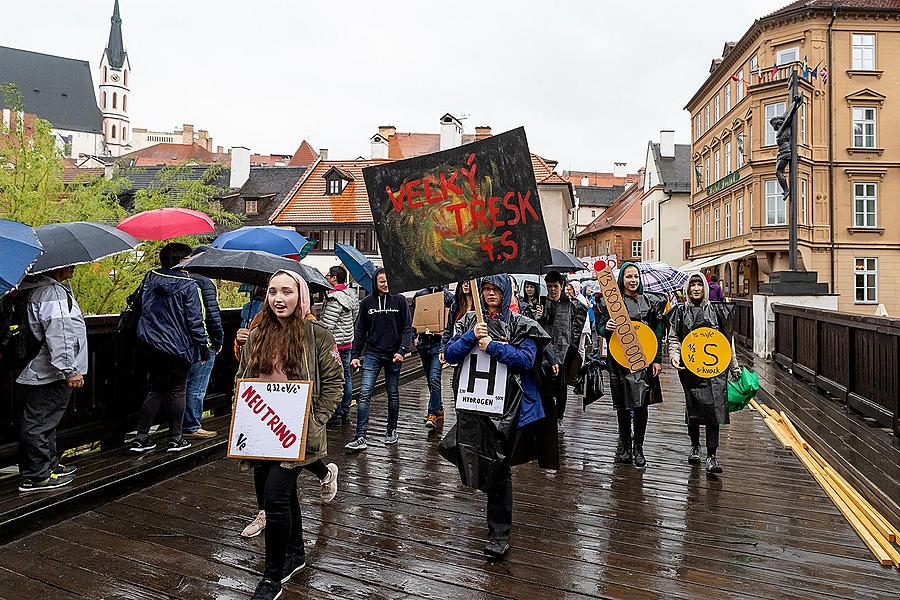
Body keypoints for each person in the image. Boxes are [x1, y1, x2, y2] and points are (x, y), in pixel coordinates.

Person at [237, 269, 342, 600]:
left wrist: (316, 419)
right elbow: (244, 377)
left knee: (276, 498)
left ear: (301, 296)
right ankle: (295, 555)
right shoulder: (256, 334)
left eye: (286, 292)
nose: (278, 299)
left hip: (297, 430)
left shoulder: (318, 335)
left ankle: (272, 576)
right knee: (280, 495)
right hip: (262, 430)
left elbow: (335, 382)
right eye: (272, 292)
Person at [441, 275, 557, 559]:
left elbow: (526, 359)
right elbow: (450, 353)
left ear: (506, 292)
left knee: (500, 466)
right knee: (474, 457)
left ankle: (499, 533)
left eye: (496, 289)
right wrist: (471, 336)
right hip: (474, 404)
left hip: (508, 408)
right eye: (487, 289)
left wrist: (492, 346)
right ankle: (494, 522)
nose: (491, 294)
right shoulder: (469, 320)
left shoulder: (521, 323)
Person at [130, 243, 209, 453]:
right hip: (178, 347)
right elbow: (195, 321)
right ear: (182, 260)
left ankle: (141, 437)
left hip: (149, 344)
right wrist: (203, 347)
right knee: (177, 390)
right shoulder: (189, 285)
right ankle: (175, 438)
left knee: (154, 390)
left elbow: (136, 303)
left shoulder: (150, 277)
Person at [14, 267, 86, 492]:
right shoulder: (50, 292)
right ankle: (37, 476)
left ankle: (49, 465)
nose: (73, 266)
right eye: (69, 263)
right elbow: (59, 333)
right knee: (38, 422)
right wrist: (69, 368)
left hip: (36, 367)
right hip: (47, 371)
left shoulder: (35, 289)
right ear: (56, 267)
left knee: (45, 420)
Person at [668, 273, 741, 475]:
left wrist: (734, 367)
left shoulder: (717, 311)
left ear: (706, 288)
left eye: (700, 284)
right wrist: (674, 356)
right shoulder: (680, 312)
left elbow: (727, 342)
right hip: (690, 366)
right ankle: (694, 446)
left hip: (715, 369)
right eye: (693, 284)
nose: (697, 288)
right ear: (688, 288)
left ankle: (712, 455)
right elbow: (674, 338)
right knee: (694, 406)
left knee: (714, 410)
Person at [596, 262, 666, 468]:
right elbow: (600, 328)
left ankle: (639, 448)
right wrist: (606, 327)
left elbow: (658, 332)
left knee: (641, 403)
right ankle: (625, 445)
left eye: (635, 276)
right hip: (618, 361)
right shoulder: (611, 303)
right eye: (628, 277)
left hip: (642, 361)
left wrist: (657, 360)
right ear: (622, 280)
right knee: (622, 405)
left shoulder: (650, 302)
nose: (633, 280)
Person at [345, 268, 412, 451]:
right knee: (365, 393)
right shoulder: (367, 303)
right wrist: (355, 355)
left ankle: (391, 430)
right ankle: (360, 436)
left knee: (393, 393)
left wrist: (402, 350)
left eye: (388, 280)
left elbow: (407, 329)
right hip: (372, 353)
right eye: (381, 281)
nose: (385, 284)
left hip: (393, 355)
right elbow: (360, 331)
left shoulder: (400, 301)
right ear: (375, 282)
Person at [536, 271, 586, 432]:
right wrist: (539, 316)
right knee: (543, 386)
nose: (552, 289)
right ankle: (544, 416)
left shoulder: (572, 306)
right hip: (544, 352)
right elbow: (537, 329)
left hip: (564, 353)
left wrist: (572, 351)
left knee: (561, 386)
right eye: (549, 286)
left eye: (555, 286)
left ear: (562, 286)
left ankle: (559, 417)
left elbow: (576, 332)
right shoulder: (542, 304)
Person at [183, 247, 224, 440]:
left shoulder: (180, 279)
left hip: (178, 343)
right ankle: (192, 425)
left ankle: (177, 425)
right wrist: (218, 340)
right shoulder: (204, 283)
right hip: (202, 342)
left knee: (179, 386)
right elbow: (211, 315)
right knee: (197, 386)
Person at [320, 265, 360, 428]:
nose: (327, 278)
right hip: (348, 342)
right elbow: (354, 316)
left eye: (328, 275)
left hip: (335, 344)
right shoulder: (351, 295)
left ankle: (335, 415)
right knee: (346, 377)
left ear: (334, 278)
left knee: (334, 380)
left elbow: (327, 325)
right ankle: (345, 412)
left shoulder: (334, 298)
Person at [412, 285, 453, 429]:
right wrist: (414, 336)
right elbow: (413, 316)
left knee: (435, 377)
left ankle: (432, 414)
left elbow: (451, 319)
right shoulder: (419, 294)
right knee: (430, 378)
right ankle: (439, 408)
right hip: (423, 342)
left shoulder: (448, 296)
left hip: (438, 344)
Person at [441, 280, 475, 365]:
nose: (465, 285)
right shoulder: (456, 305)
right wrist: (443, 349)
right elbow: (449, 328)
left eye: (468, 282)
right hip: (457, 346)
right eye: (463, 282)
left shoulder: (480, 306)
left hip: (473, 348)